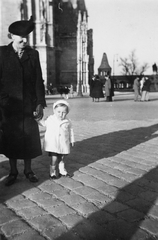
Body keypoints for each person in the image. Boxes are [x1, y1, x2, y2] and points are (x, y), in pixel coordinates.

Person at [0, 17, 46, 186]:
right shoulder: (2, 53)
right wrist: (3, 101)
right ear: (11, 36)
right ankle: (13, 171)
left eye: (27, 36)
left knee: (28, 138)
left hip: (28, 106)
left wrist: (40, 103)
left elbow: (38, 81)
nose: (24, 39)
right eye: (20, 36)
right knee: (11, 139)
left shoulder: (33, 54)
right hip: (8, 106)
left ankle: (28, 170)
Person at [39, 100, 74, 179]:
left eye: (63, 112)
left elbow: (70, 131)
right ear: (54, 111)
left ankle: (62, 171)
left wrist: (72, 140)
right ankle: (53, 172)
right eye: (58, 112)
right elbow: (43, 124)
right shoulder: (50, 119)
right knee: (54, 159)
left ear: (67, 112)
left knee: (62, 158)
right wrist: (38, 119)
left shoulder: (67, 121)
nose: (61, 114)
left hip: (63, 143)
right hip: (53, 144)